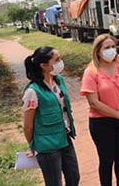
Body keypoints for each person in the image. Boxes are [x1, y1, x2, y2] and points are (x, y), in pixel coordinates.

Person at [80, 34, 119, 186]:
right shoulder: (91, 72)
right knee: (106, 161)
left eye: (113, 47)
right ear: (98, 51)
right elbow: (94, 103)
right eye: (106, 48)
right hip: (102, 123)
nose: (111, 50)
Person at [22, 46, 80, 186]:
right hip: (47, 145)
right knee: (54, 182)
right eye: (57, 59)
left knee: (74, 177)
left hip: (65, 137)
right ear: (44, 65)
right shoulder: (32, 91)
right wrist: (33, 145)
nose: (61, 62)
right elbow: (28, 125)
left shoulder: (58, 80)